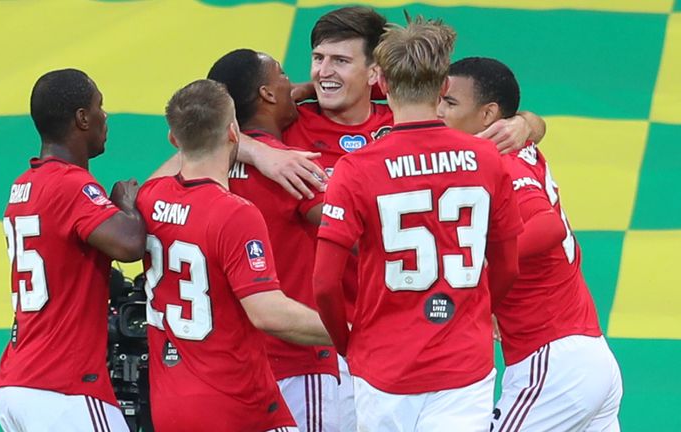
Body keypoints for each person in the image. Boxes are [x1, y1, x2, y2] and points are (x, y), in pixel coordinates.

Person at [313, 18, 523, 432]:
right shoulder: (487, 159)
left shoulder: (355, 169)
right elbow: (508, 266)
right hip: (463, 365)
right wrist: (476, 315)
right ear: (444, 85)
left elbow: (324, 284)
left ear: (383, 84)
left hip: (383, 367)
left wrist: (348, 345)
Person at [438, 57, 623, 432]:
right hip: (585, 354)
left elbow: (546, 226)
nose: (439, 111)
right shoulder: (513, 148)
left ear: (489, 114)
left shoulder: (503, 162)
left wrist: (475, 271)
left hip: (553, 362)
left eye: (450, 104)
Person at [138, 79, 332, 432]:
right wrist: (353, 332)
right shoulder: (234, 212)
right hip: (238, 406)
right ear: (233, 131)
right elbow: (269, 313)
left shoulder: (151, 197)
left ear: (172, 139)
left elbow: (173, 163)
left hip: (169, 409)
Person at [0, 68, 146, 431]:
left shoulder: (23, 185)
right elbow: (130, 244)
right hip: (64, 388)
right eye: (99, 107)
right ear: (82, 118)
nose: (104, 116)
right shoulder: (70, 183)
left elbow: (61, 263)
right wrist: (125, 205)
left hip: (16, 381)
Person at [207, 49, 340, 432]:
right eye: (282, 75)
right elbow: (355, 239)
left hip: (231, 369)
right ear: (265, 94)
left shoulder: (200, 170)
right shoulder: (294, 167)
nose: (292, 83)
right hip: (300, 362)